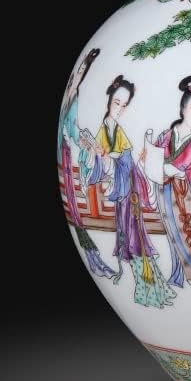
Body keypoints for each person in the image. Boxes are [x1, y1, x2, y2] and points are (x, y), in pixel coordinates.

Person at [85, 75, 176, 307]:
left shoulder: (117, 129)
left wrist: (116, 158)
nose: (119, 109)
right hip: (123, 190)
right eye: (117, 103)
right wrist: (100, 156)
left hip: (130, 187)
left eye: (124, 105)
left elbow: (125, 160)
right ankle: (145, 289)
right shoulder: (104, 130)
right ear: (108, 100)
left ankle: (153, 288)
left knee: (137, 235)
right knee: (129, 235)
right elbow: (101, 165)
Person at [149, 75, 191, 289]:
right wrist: (156, 163)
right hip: (163, 191)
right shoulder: (166, 135)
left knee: (184, 234)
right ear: (183, 109)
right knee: (171, 234)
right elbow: (152, 160)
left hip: (182, 197)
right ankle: (177, 273)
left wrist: (179, 173)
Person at [56, 49, 115, 278]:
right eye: (79, 71)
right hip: (66, 151)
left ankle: (95, 256)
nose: (79, 75)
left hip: (69, 149)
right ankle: (93, 255)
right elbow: (70, 131)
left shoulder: (75, 98)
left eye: (83, 72)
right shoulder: (70, 97)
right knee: (74, 201)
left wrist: (88, 143)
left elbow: (73, 129)